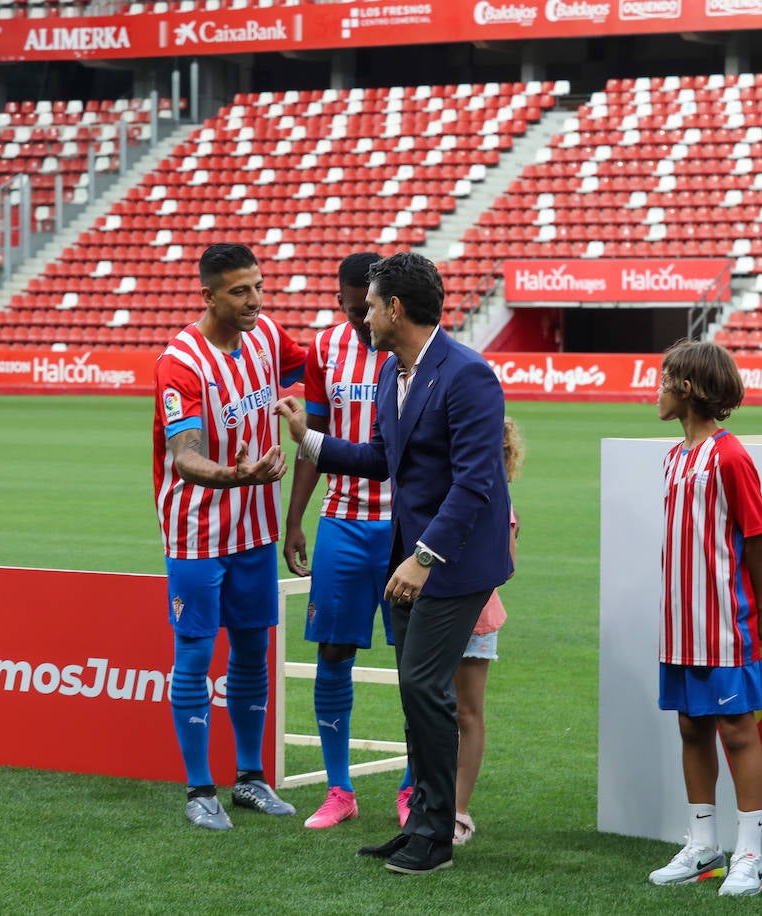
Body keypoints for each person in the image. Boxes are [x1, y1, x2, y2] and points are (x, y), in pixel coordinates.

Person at [276, 251, 513, 875]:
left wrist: (422, 558)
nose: (364, 316)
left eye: (372, 305)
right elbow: (383, 457)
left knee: (422, 687)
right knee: (418, 692)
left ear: (396, 309)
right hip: (409, 558)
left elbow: (475, 483)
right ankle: (422, 826)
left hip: (453, 564)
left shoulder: (468, 375)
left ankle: (434, 835)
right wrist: (309, 439)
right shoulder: (393, 374)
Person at [152, 242, 305, 829]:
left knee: (251, 650)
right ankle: (198, 790)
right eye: (240, 291)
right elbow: (186, 458)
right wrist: (238, 473)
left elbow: (314, 367)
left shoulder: (265, 334)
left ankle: (249, 779)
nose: (255, 300)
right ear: (208, 295)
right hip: (196, 531)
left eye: (259, 287)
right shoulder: (182, 363)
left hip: (256, 529)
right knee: (194, 653)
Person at [647, 340, 762, 897]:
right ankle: (704, 847)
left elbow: (757, 536)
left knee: (738, 732)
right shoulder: (675, 457)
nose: (658, 390)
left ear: (688, 388)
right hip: (680, 621)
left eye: (665, 379)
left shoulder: (729, 456)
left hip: (724, 621)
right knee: (690, 726)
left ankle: (753, 853)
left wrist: (759, 607)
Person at [283, 252, 395, 830]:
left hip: (405, 528)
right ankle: (339, 789)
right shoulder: (325, 349)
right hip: (344, 523)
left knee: (419, 662)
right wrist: (295, 517)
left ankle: (413, 788)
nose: (360, 323)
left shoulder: (418, 347)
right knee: (332, 652)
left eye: (366, 310)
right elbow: (315, 439)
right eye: (350, 311)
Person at [451, 415, 523, 846]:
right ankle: (429, 800)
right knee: (429, 710)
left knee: (467, 712)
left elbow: (507, 564)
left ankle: (459, 810)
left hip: (475, 613)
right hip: (434, 610)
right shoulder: (443, 483)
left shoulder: (499, 496)